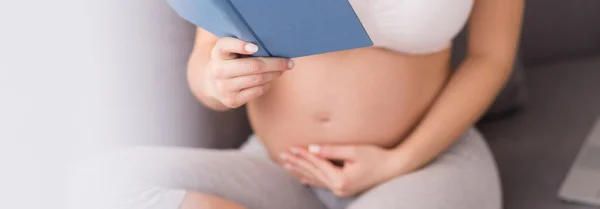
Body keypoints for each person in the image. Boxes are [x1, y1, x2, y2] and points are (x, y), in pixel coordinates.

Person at [68, 0, 524, 208]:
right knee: (99, 182)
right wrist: (217, 80)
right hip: (279, 172)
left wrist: (396, 162)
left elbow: (491, 58)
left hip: (423, 165)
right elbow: (204, 65)